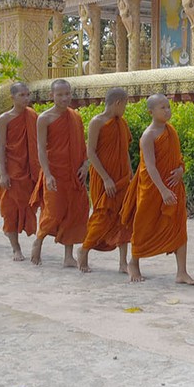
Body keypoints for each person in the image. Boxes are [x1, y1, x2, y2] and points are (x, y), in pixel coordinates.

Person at [120, 94, 194, 285]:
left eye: (168, 106)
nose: (167, 110)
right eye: (162, 107)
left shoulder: (171, 131)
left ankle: (182, 272)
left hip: (173, 186)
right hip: (153, 188)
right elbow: (150, 166)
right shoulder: (148, 136)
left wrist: (181, 170)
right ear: (151, 112)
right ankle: (134, 262)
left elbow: (178, 158)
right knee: (144, 224)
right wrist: (162, 190)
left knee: (179, 225)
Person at [30, 79, 89, 267]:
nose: (65, 98)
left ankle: (68, 256)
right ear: (51, 96)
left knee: (74, 211)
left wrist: (86, 164)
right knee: (53, 211)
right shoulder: (44, 118)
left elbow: (82, 144)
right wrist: (47, 174)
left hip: (74, 172)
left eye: (67, 94)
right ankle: (39, 240)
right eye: (60, 94)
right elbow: (40, 148)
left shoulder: (75, 117)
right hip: (55, 171)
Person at [77, 88, 134, 274]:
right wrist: (106, 178)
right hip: (103, 179)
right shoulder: (97, 122)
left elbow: (125, 150)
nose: (125, 108)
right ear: (118, 103)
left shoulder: (121, 123)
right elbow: (90, 153)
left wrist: (131, 174)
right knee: (102, 215)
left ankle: (123, 263)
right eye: (125, 104)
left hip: (123, 177)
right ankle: (84, 250)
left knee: (124, 217)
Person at [0, 82, 40, 261]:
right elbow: (1, 147)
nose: (26, 98)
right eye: (22, 95)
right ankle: (16, 248)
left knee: (30, 207)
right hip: (13, 170)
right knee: (10, 210)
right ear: (12, 97)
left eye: (28, 94)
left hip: (30, 171)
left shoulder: (33, 116)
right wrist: (3, 173)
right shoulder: (5, 119)